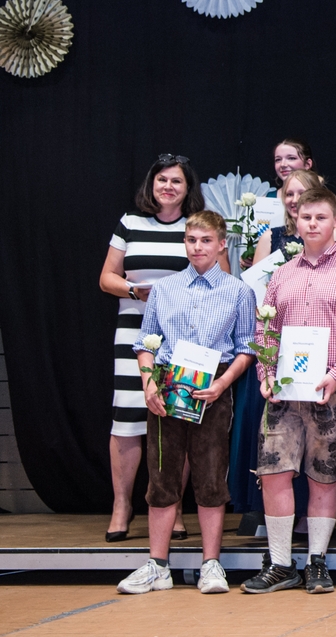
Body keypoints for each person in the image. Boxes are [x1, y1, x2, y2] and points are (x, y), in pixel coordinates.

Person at [241, 187, 336, 595]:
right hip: (284, 390)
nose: (312, 224)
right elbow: (265, 328)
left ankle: (316, 562)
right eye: (306, 218)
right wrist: (266, 374)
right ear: (296, 222)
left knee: (324, 476)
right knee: (273, 472)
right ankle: (280, 564)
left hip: (333, 387)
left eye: (321, 217)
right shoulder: (282, 273)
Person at [116, 211, 256, 595]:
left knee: (211, 474)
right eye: (192, 240)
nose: (198, 247)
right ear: (184, 243)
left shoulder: (238, 291)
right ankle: (157, 565)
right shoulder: (165, 289)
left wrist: (223, 383)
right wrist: (149, 384)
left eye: (206, 240)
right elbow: (146, 343)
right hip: (167, 384)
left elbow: (246, 348)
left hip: (212, 388)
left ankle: (211, 564)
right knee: (162, 474)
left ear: (221, 244)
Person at [98, 154, 214, 543]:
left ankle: (173, 507)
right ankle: (122, 506)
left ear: (188, 187)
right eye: (162, 179)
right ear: (151, 184)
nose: (168, 186)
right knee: (128, 420)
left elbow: (221, 280)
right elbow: (106, 278)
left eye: (176, 181)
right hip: (134, 332)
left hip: (186, 337)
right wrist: (135, 291)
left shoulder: (197, 227)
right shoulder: (130, 223)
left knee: (178, 419)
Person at [231, 168, 336, 526]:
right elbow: (259, 299)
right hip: (282, 360)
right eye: (289, 194)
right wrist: (267, 365)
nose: (295, 200)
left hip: (324, 360)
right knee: (276, 453)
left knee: (320, 454)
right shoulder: (272, 237)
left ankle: (312, 529)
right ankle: (270, 523)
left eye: (302, 193)